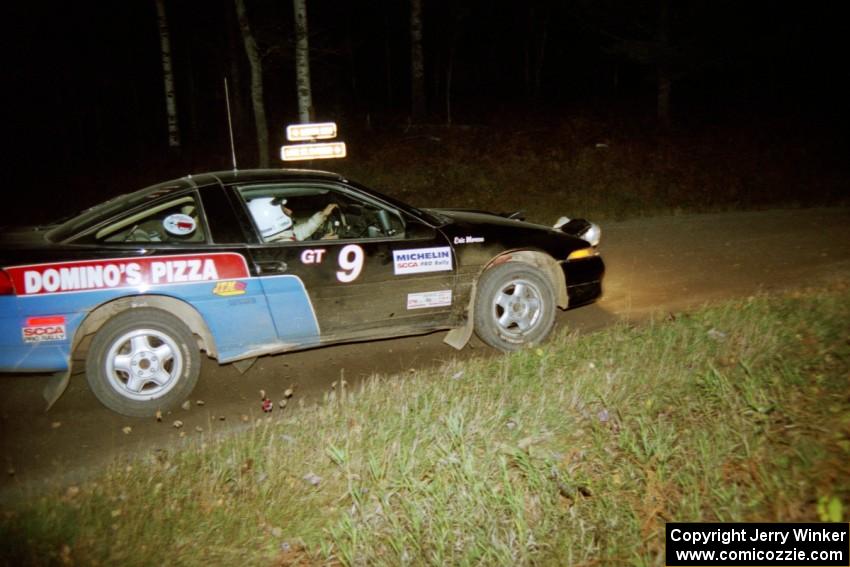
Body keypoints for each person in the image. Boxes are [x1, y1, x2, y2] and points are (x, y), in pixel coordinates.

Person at [248, 197, 338, 242]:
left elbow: (300, 232)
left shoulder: (275, 238)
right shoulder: (285, 245)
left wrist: (323, 214)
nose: (290, 211)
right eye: (283, 209)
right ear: (273, 216)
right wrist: (323, 244)